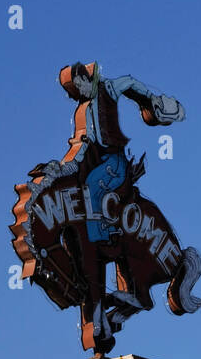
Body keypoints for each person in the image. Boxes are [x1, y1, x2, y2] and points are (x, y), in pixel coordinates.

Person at [61, 63, 185, 243]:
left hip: (115, 161)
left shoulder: (108, 88)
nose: (79, 91)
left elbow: (129, 82)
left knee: (92, 185)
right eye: (75, 89)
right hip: (98, 161)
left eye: (79, 85)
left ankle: (102, 237)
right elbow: (82, 142)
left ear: (85, 78)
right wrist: (67, 166)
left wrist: (149, 99)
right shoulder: (85, 110)